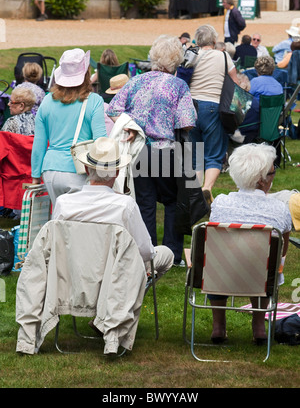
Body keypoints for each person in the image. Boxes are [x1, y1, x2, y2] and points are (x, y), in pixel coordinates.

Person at [107, 35, 197, 266]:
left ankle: (146, 253)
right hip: (165, 150)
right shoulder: (179, 85)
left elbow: (113, 108)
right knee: (172, 201)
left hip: (139, 150)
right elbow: (187, 122)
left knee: (144, 202)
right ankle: (172, 253)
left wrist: (131, 125)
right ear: (176, 60)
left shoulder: (136, 81)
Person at [53, 137, 174, 279]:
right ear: (117, 173)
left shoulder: (63, 203)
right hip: (114, 280)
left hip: (73, 275)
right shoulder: (125, 205)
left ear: (86, 169)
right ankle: (140, 284)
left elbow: (56, 245)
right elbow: (146, 251)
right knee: (166, 254)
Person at [209, 143, 292, 344]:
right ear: (263, 180)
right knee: (267, 264)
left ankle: (218, 326)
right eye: (272, 173)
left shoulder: (220, 203)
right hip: (261, 277)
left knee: (215, 259)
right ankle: (259, 325)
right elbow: (283, 250)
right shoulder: (279, 209)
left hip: (220, 276)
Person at [31, 48, 107, 209]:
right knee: (77, 225)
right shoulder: (94, 101)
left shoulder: (46, 101)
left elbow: (39, 142)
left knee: (58, 220)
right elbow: (101, 141)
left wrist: (35, 176)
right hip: (78, 170)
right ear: (86, 73)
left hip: (50, 171)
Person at [186, 24, 239, 204]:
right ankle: (207, 188)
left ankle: (195, 196)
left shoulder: (191, 56)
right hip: (213, 106)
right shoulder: (223, 56)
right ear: (214, 40)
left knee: (195, 153)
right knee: (214, 152)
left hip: (191, 107)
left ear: (197, 40)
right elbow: (235, 81)